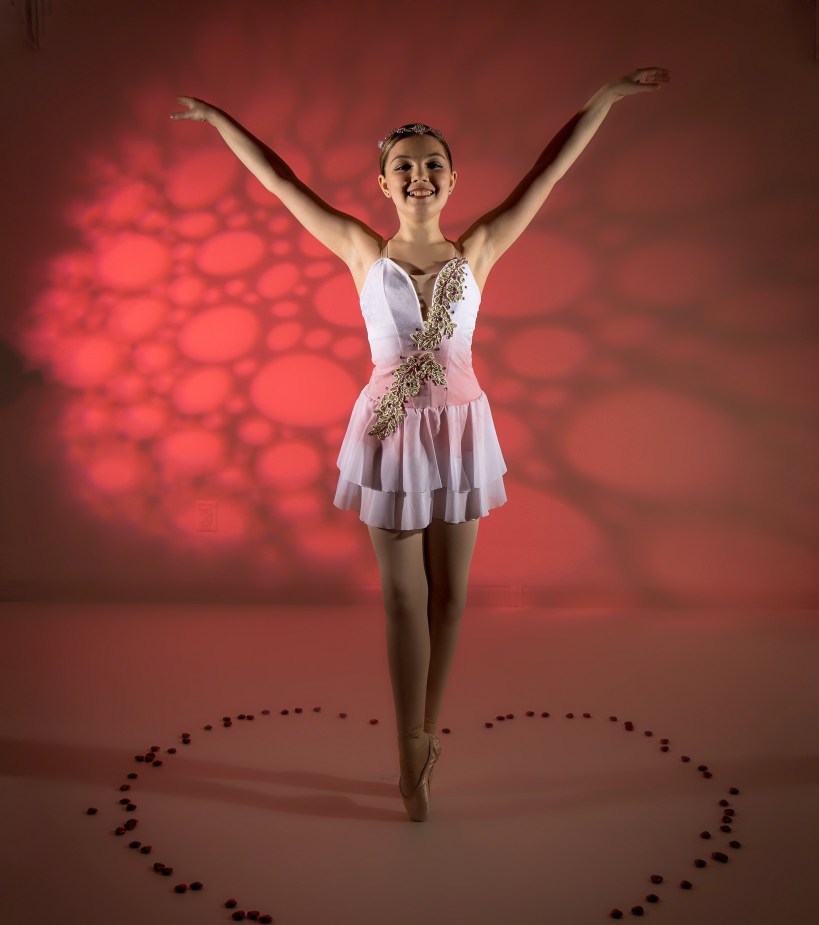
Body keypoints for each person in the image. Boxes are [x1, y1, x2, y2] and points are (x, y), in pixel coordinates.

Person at [170, 67, 670, 822]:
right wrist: (216, 119)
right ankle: (409, 749)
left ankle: (425, 734)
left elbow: (549, 170)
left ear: (452, 179)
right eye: (403, 165)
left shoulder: (481, 248)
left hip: (464, 429)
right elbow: (278, 181)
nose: (419, 175)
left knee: (451, 598)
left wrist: (601, 101)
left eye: (432, 163)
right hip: (390, 432)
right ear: (382, 183)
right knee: (402, 598)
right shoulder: (359, 251)